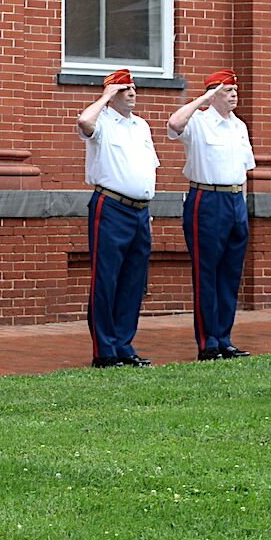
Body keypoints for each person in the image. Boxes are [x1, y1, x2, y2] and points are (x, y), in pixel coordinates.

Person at [168, 69, 256, 360]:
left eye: (235, 90)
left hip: (234, 201)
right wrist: (204, 98)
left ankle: (224, 338)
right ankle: (208, 343)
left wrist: (241, 209)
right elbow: (174, 123)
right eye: (227, 90)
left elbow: (243, 171)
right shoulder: (199, 122)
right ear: (213, 93)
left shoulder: (239, 126)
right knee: (207, 273)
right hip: (206, 199)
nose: (234, 95)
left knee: (230, 274)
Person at [77, 69, 159, 368]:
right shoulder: (101, 121)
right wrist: (106, 95)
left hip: (139, 210)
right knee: (107, 279)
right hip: (110, 207)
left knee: (133, 281)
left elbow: (148, 167)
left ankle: (124, 345)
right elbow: (84, 122)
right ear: (113, 94)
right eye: (125, 89)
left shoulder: (141, 126)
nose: (132, 93)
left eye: (133, 88)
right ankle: (105, 350)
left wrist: (147, 208)